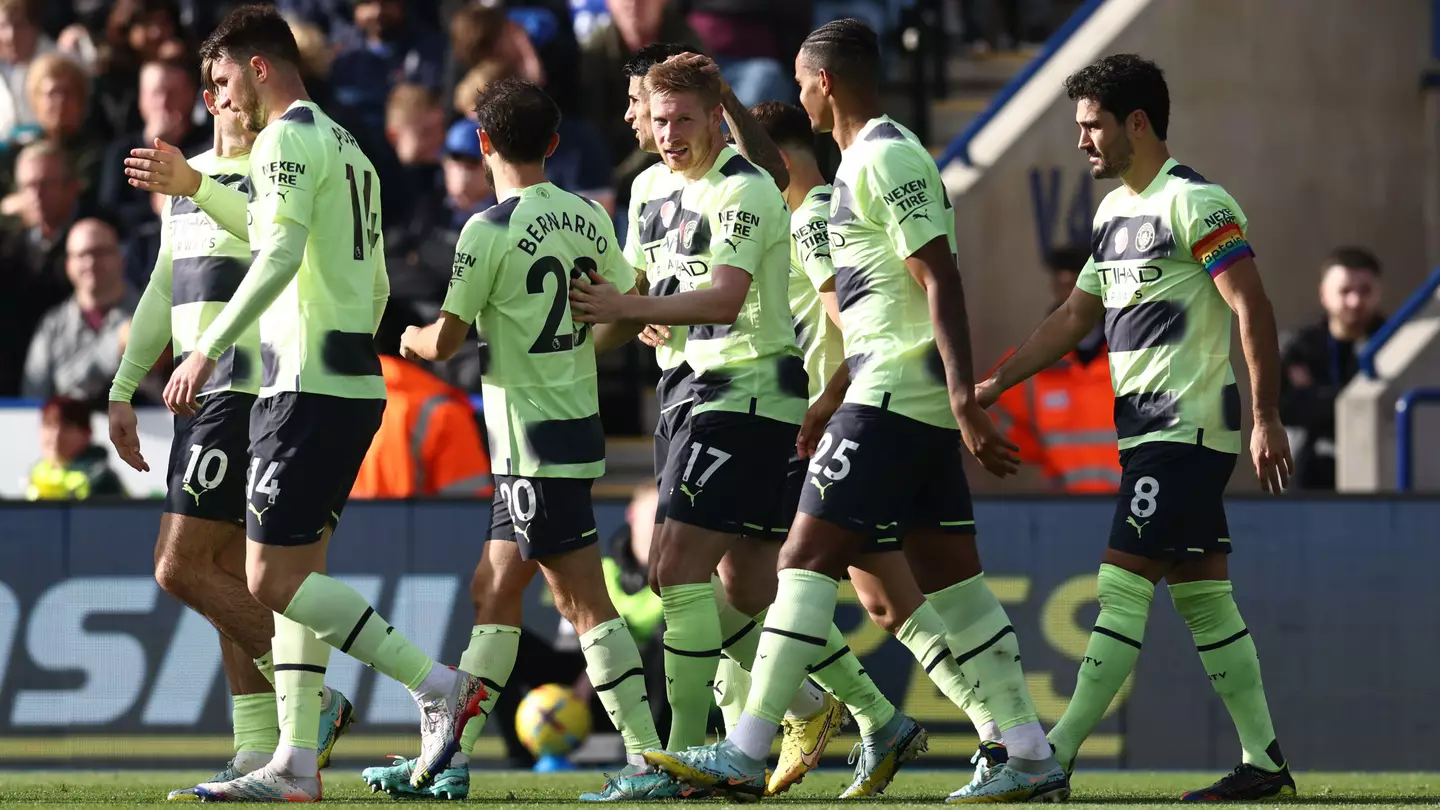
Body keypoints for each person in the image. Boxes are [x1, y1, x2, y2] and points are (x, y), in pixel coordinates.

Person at [638, 20, 1062, 803]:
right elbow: (870, 308)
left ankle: (746, 745)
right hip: (885, 390)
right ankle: (1029, 751)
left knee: (798, 563)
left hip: (897, 394)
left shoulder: (886, 157)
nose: (796, 93)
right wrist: (830, 396)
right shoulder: (862, 162)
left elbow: (939, 277)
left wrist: (964, 394)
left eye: (801, 80)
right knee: (952, 587)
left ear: (823, 81)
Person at [143, 6, 481, 801]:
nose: (220, 97)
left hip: (306, 385)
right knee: (295, 572)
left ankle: (436, 683)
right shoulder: (348, 145)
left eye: (225, 80)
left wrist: (204, 345)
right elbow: (375, 281)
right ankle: (296, 766)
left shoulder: (286, 139)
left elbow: (277, 253)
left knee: (267, 577)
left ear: (260, 68)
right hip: (342, 376)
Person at [974, 54, 1295, 801]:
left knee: (1119, 587)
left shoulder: (1198, 202)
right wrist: (999, 381)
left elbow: (1253, 306)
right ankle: (1265, 761)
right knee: (1204, 598)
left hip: (1185, 428)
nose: (1082, 140)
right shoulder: (1112, 213)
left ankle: (1050, 759)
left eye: (1092, 126)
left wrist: (1267, 414)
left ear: (1137, 124)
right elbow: (1074, 318)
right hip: (1148, 434)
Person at [609, 47, 900, 799]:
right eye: (657, 116)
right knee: (747, 588)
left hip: (745, 395)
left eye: (681, 118)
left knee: (677, 574)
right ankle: (862, 712)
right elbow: (647, 281)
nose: (665, 131)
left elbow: (724, 299)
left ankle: (670, 762)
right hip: (689, 391)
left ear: (713, 118)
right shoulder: (646, 189)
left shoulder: (747, 188)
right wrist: (634, 304)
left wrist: (630, 307)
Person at [376, 77, 669, 803]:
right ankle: (450, 761)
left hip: (533, 443)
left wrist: (407, 338)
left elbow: (444, 342)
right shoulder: (589, 216)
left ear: (481, 146)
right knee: (493, 589)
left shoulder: (487, 230)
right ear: (555, 144)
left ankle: (650, 761)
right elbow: (632, 308)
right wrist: (579, 352)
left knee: (584, 606)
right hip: (554, 432)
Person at [745, 97, 1016, 798]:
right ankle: (997, 736)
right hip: (869, 408)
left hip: (859, 412)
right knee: (890, 602)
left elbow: (851, 322)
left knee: (760, 581)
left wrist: (830, 402)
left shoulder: (813, 217)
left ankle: (748, 743)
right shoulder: (824, 200)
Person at [108, 58, 354, 800]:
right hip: (197, 389)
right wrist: (124, 385)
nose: (236, 101)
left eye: (240, 87)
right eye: (222, 91)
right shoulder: (192, 179)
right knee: (217, 570)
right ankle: (257, 743)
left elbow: (272, 245)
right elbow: (162, 283)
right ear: (215, 98)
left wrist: (197, 186)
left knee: (180, 566)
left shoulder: (274, 168)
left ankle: (310, 704)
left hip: (247, 384)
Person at [991, 245, 1121, 493]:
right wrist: (1045, 458)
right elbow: (994, 420)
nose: (1070, 290)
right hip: (1059, 507)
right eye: (1064, 283)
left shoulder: (1130, 355)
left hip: (1131, 503)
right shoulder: (1026, 365)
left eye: (1077, 282)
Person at [350, 308, 493, 500]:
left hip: (340, 530)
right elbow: (468, 513)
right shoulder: (443, 413)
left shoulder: (326, 408)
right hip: (415, 530)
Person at [1279, 247, 1385, 490]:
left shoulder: (1394, 343)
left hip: (1375, 469)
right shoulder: (1299, 346)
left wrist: (1319, 395)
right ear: (1324, 294)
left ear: (1379, 294)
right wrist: (1353, 397)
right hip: (1309, 471)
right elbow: (1286, 408)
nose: (1355, 301)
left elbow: (1387, 407)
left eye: (1365, 291)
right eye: (1345, 291)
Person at [23, 218, 143, 406]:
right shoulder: (52, 326)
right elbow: (33, 403)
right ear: (68, 264)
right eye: (81, 255)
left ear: (121, 257)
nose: (90, 263)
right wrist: (114, 349)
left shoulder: (154, 314)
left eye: (100, 252)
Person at [26, 395, 125, 500]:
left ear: (87, 434)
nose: (55, 436)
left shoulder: (100, 478)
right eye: (49, 425)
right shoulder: (37, 471)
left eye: (66, 427)